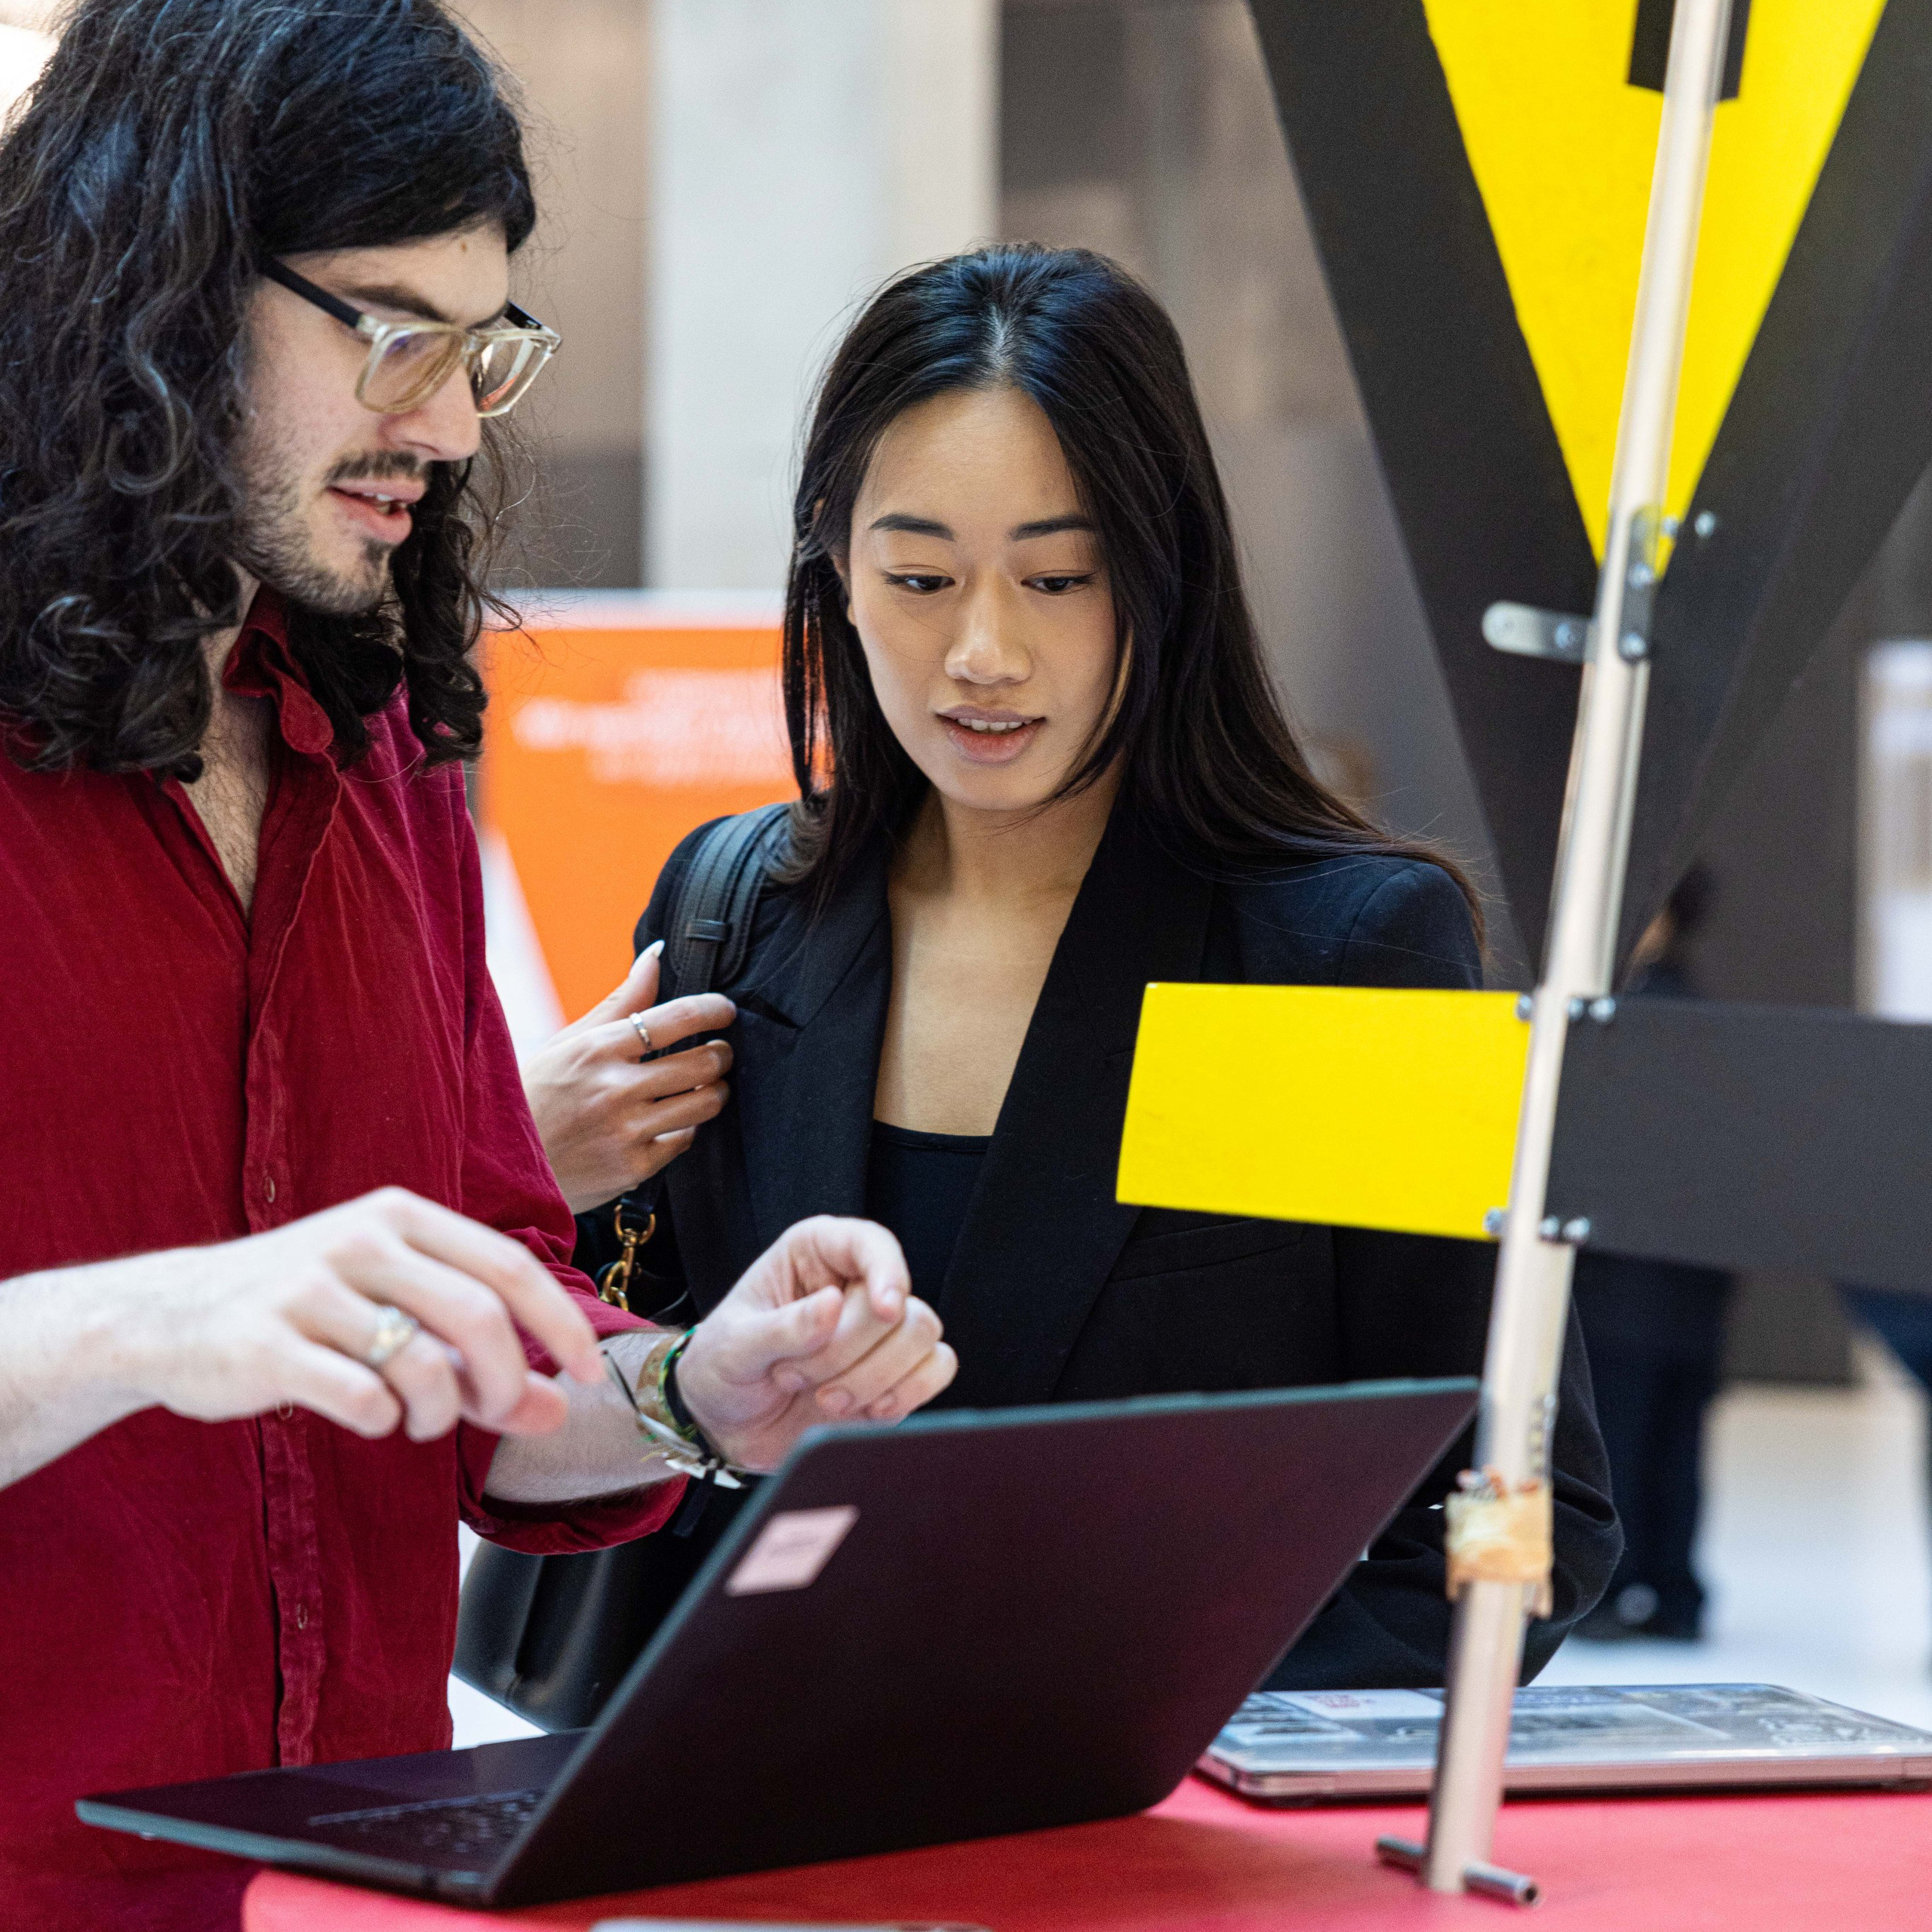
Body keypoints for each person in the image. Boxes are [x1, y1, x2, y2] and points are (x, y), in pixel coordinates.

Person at [0, 6, 952, 1927]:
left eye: (482, 349)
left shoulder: (379, 757)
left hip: (347, 1867)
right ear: (150, 284)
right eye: (391, 334)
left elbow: (491, 1339)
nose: (445, 428)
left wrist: (694, 1386)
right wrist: (151, 1324)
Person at [517, 245, 1619, 1697]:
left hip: (1150, 1811)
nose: (984, 652)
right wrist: (523, 1170)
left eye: (1057, 578)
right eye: (920, 577)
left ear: (1162, 577)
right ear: (834, 566)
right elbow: (604, 1405)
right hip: (744, 1791)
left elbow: (1525, 1509)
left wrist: (1200, 1725)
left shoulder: (1336, 956)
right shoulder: (732, 914)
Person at [1570, 866, 1734, 1642]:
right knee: (1675, 1437)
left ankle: (1609, 1590)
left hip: (1622, 1276)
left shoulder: (1616, 1026)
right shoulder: (1711, 1019)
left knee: (1620, 1434)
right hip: (1692, 1279)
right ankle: (1673, 1591)